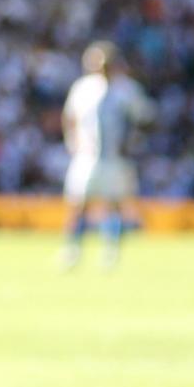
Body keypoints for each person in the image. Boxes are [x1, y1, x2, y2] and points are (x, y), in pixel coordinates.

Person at [61, 40, 150, 270]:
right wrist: (72, 142)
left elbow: (145, 118)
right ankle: (73, 250)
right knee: (79, 203)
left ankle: (110, 253)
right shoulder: (84, 88)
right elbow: (69, 118)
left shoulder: (126, 90)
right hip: (87, 155)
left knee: (115, 204)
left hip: (114, 157)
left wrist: (132, 143)